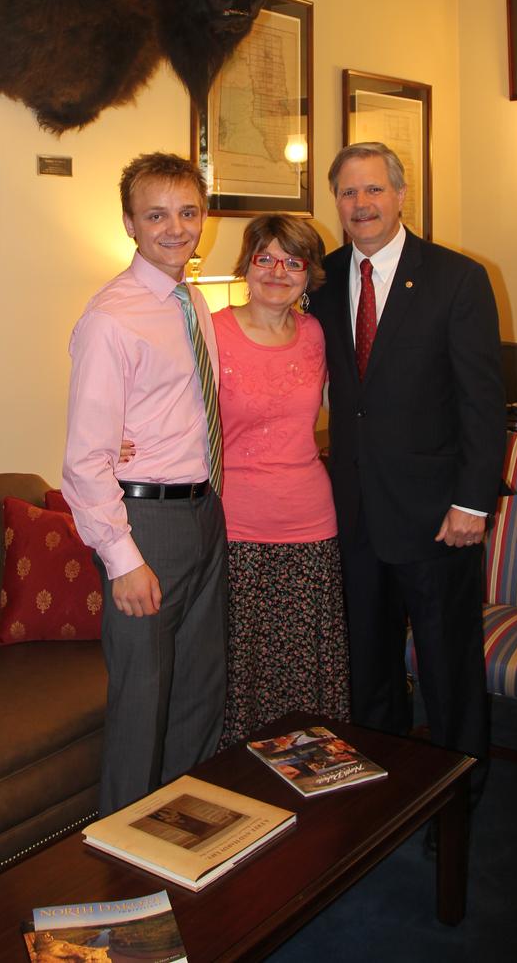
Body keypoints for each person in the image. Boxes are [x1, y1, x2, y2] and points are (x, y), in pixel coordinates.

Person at [309, 141, 505, 791]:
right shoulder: (323, 279)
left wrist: (472, 503)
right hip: (355, 515)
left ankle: (457, 797)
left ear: (400, 195)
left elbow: (482, 402)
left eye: (374, 189)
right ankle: (383, 796)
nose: (361, 203)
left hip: (437, 518)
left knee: (448, 669)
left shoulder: (457, 278)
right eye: (348, 192)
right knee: (369, 670)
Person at [62, 152, 227, 813]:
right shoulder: (112, 318)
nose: (175, 228)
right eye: (156, 215)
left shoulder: (194, 299)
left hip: (203, 512)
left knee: (198, 695)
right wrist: (123, 559)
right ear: (129, 223)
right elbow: (84, 460)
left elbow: (184, 409)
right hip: (146, 525)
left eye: (188, 212)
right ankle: (119, 856)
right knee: (142, 704)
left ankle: (186, 834)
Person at [213, 214, 349, 746]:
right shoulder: (211, 332)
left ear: (309, 274)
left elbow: (357, 404)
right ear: (246, 265)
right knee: (240, 676)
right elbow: (166, 406)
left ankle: (310, 779)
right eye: (265, 257)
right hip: (236, 530)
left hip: (311, 526)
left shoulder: (316, 334)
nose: (277, 271)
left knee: (306, 673)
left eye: (293, 262)